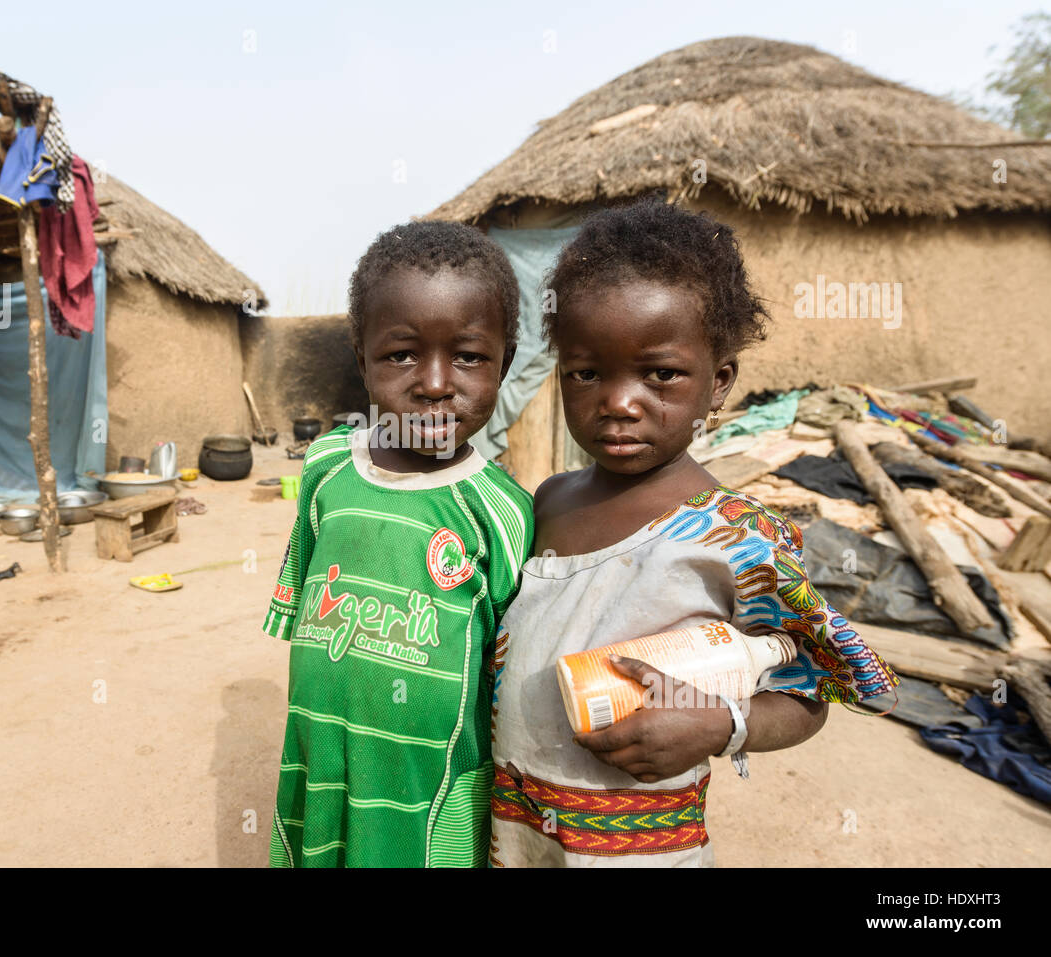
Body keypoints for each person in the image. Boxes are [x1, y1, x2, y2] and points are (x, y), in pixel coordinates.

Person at [489, 197, 898, 867]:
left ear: (720, 383)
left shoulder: (738, 536)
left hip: (639, 848)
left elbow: (807, 685)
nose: (619, 401)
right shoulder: (549, 502)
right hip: (515, 833)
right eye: (586, 373)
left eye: (661, 374)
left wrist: (720, 724)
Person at [264, 221, 535, 867]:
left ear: (505, 361)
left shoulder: (504, 513)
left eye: (468, 356)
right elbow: (304, 593)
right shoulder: (327, 466)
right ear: (362, 358)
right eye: (401, 354)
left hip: (430, 789)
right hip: (319, 750)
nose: (435, 382)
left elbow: (512, 678)